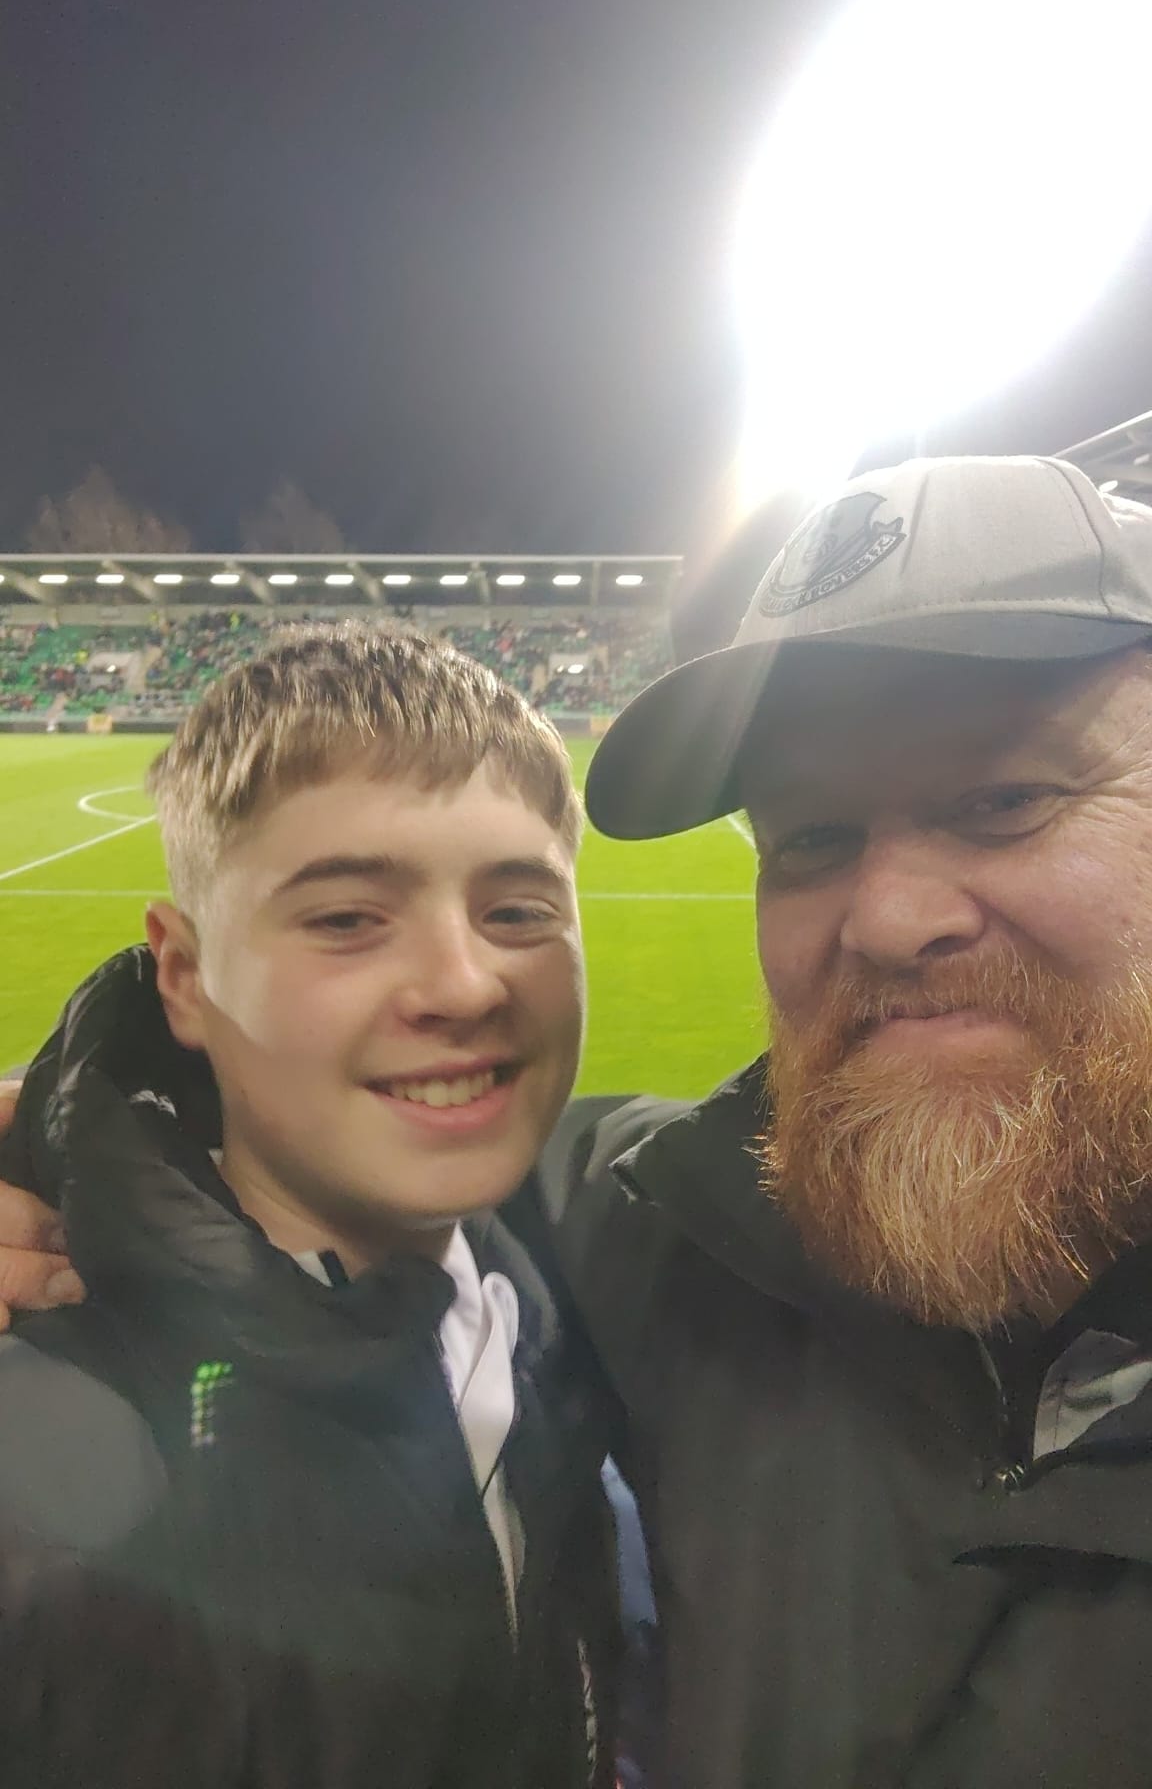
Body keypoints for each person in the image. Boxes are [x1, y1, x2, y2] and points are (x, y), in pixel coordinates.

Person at [16, 450, 1152, 1786]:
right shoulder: (682, 1227)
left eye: (1009, 800)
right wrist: (77, 1152)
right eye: (810, 839)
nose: (892, 917)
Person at [0, 623, 617, 1788]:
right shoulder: (52, 1444)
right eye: (345, 917)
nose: (463, 982)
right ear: (181, 973)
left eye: (521, 909)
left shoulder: (574, 1289)